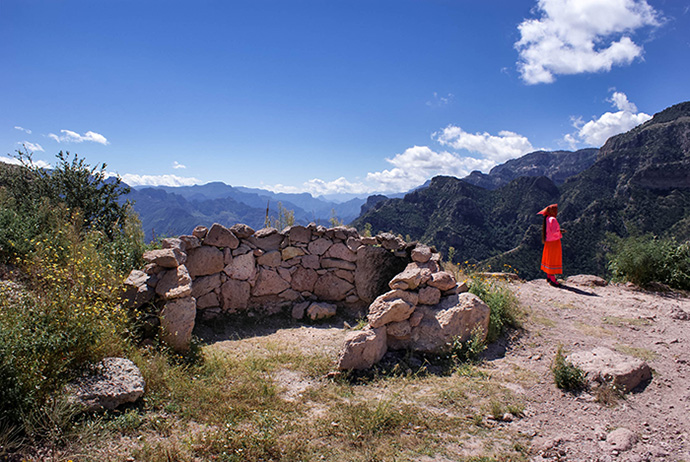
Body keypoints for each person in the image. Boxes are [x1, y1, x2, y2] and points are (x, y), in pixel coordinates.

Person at [538, 203, 563, 287]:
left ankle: (549, 277)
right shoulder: (553, 219)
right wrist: (560, 232)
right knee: (553, 259)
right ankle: (553, 280)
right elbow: (555, 232)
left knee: (548, 258)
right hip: (554, 242)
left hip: (548, 241)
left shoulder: (547, 218)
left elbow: (549, 230)